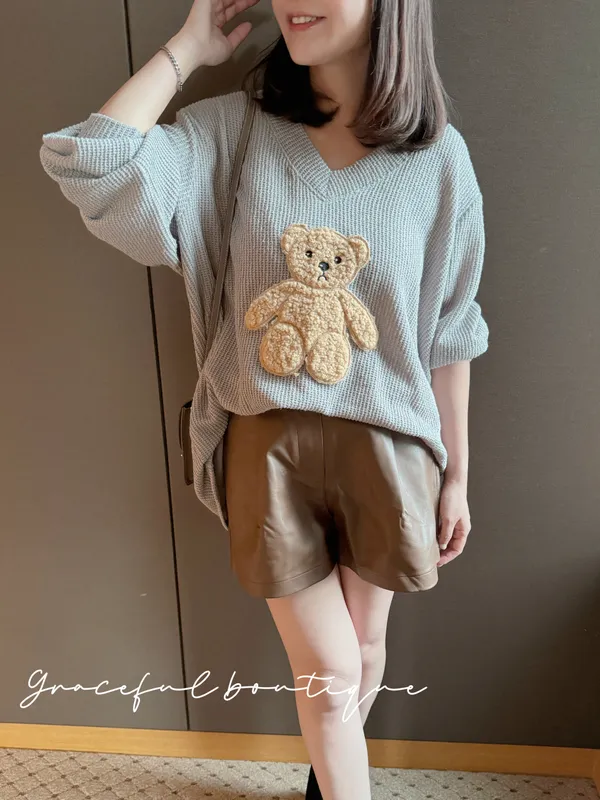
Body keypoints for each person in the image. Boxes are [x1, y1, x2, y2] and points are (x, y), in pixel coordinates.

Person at [39, 0, 490, 797]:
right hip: (268, 449)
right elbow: (92, 161)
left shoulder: (438, 159)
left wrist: (456, 475)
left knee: (366, 651)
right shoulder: (233, 133)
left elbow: (452, 331)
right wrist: (188, 49)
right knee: (331, 666)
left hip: (392, 447)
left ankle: (328, 778)